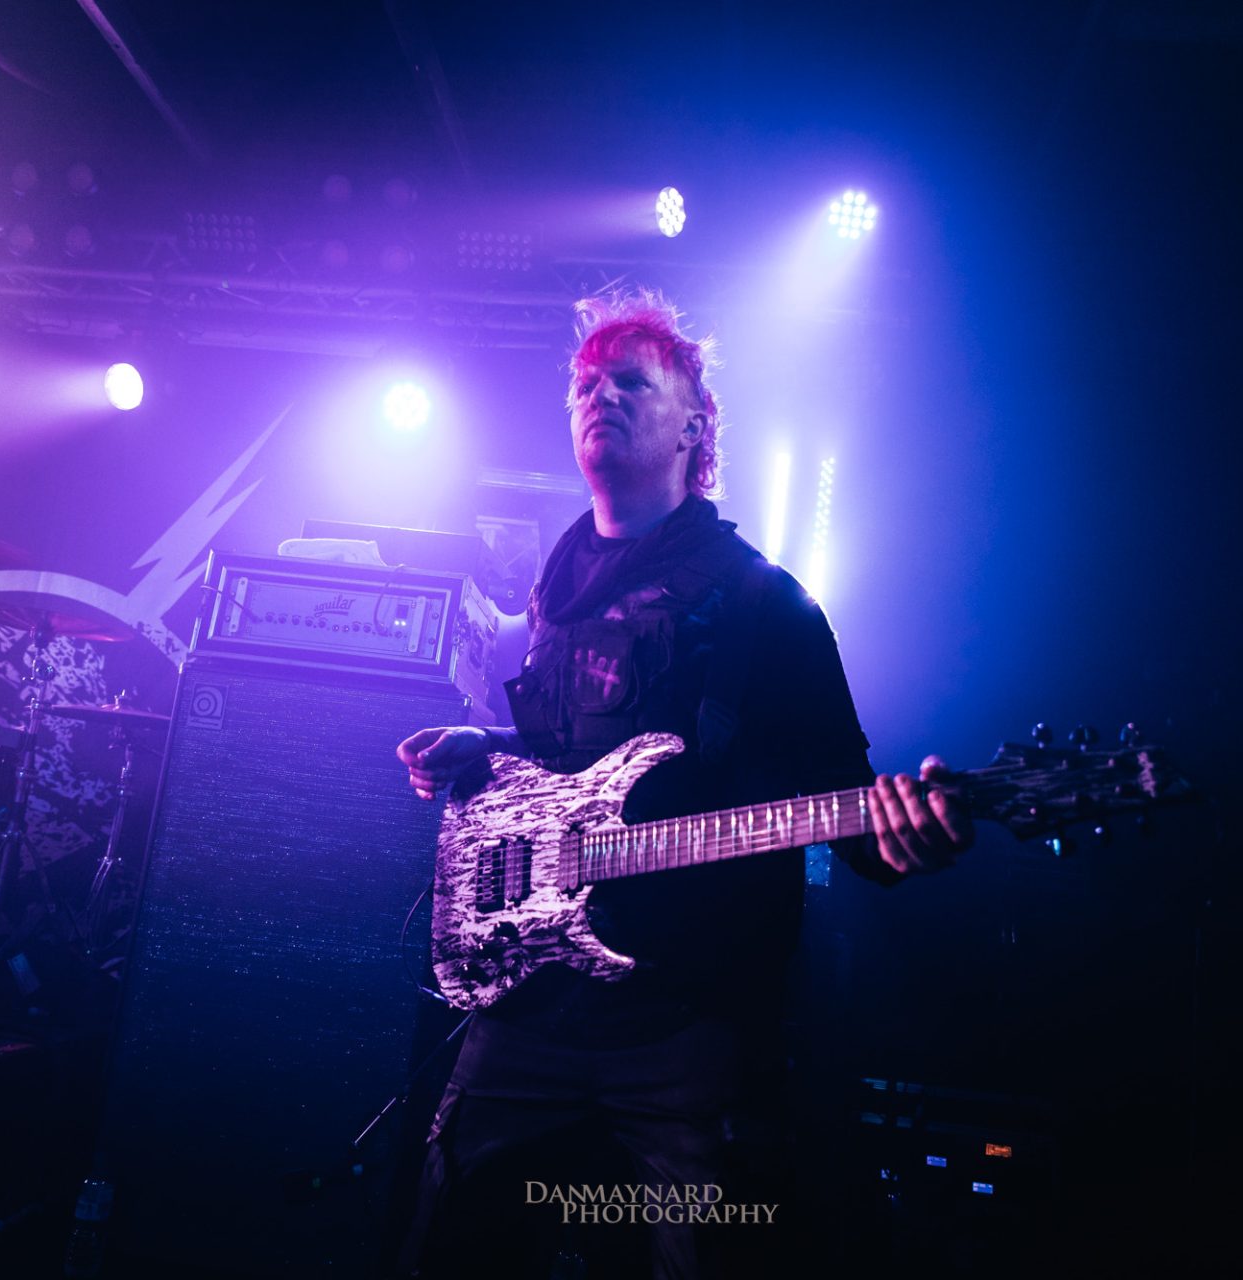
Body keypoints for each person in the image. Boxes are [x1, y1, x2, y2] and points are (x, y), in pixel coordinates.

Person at [396, 291, 973, 1278]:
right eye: (587, 383)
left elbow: (848, 811)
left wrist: (909, 832)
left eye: (631, 382)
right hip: (535, 1003)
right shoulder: (561, 577)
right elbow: (574, 764)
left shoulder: (764, 603)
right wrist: (485, 744)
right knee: (448, 1247)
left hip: (684, 1031)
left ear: (694, 425)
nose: (601, 396)